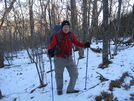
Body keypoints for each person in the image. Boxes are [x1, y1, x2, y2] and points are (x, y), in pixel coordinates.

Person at [48, 20, 90, 95]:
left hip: (69, 58)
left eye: (67, 27)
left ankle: (70, 89)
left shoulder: (71, 35)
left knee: (75, 73)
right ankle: (59, 89)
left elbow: (77, 42)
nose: (66, 28)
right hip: (59, 58)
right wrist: (50, 49)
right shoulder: (57, 35)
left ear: (69, 28)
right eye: (65, 27)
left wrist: (84, 45)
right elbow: (52, 44)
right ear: (62, 27)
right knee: (59, 75)